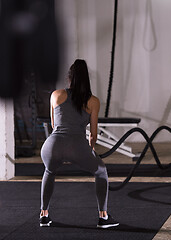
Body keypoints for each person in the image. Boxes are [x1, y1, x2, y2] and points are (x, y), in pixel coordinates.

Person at [39, 59, 119, 228]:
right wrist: (88, 151)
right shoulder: (93, 101)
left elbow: (54, 125)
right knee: (101, 172)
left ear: (69, 78)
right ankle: (103, 217)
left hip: (51, 146)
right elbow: (94, 134)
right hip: (77, 146)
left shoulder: (56, 95)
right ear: (86, 80)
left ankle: (44, 215)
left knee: (49, 171)